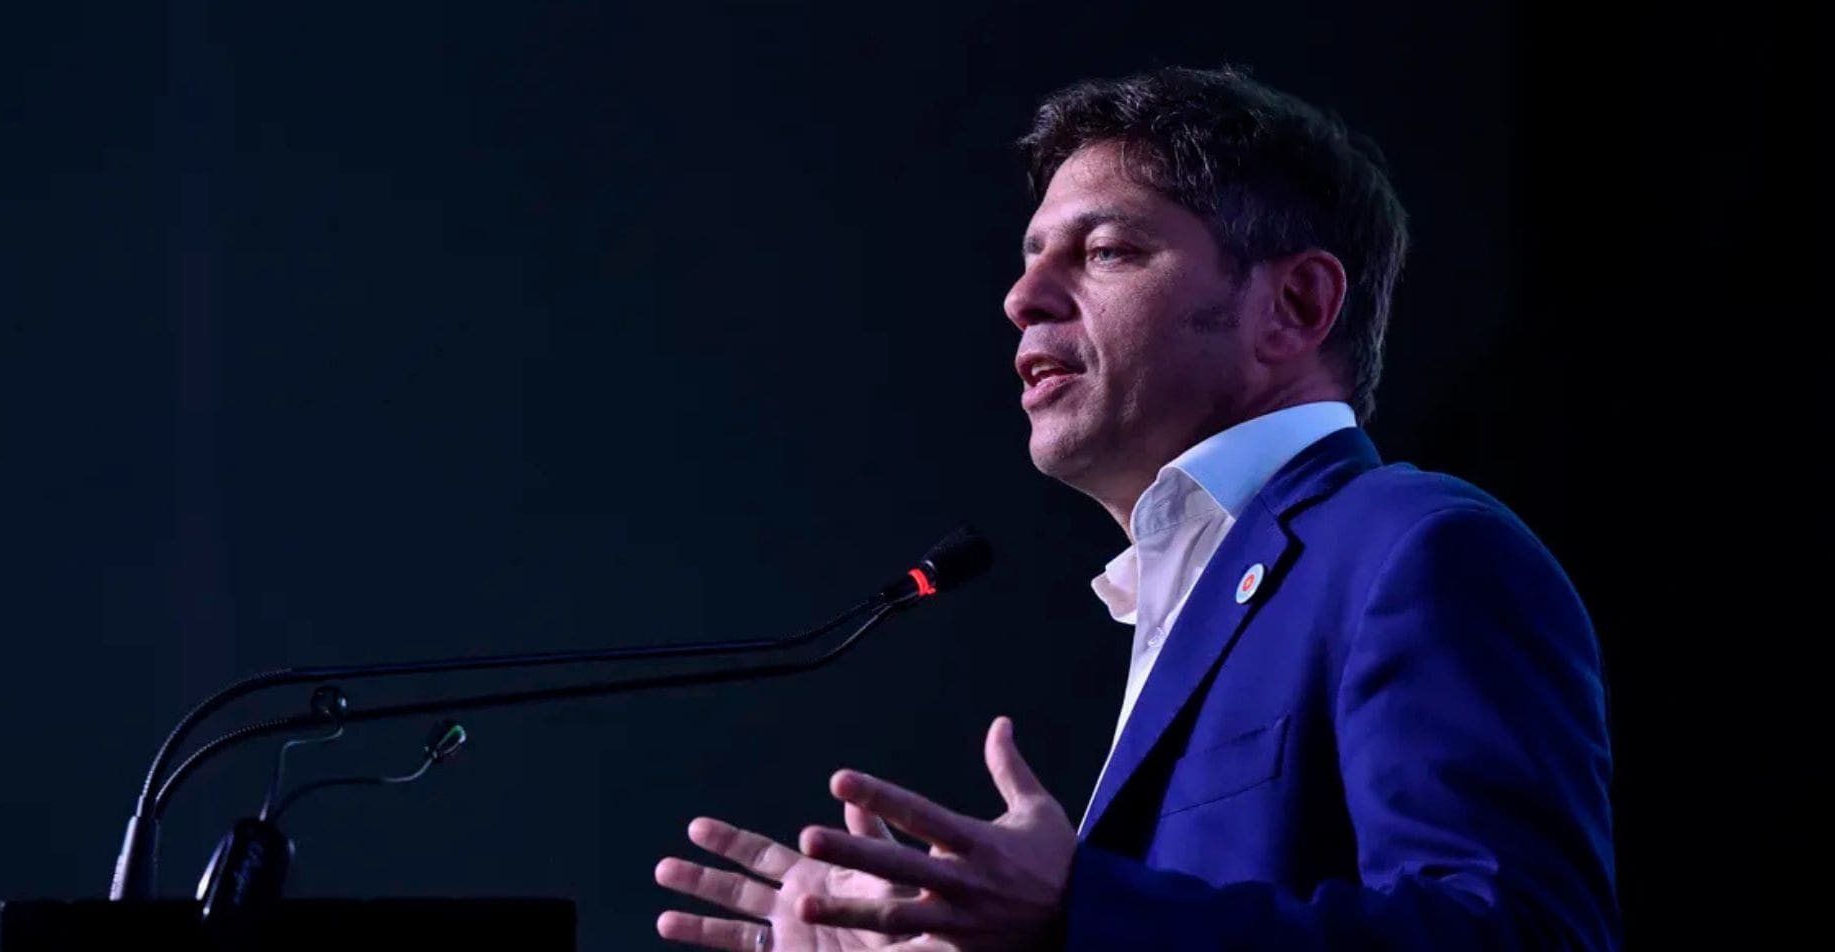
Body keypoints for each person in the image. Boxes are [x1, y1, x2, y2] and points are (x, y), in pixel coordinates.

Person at [653, 67, 1618, 950]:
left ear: (1293, 305)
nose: (1023, 297)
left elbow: (1525, 937)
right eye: (1032, 256)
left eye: (1107, 250)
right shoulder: (1188, 592)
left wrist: (1078, 914)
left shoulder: (1417, 549)